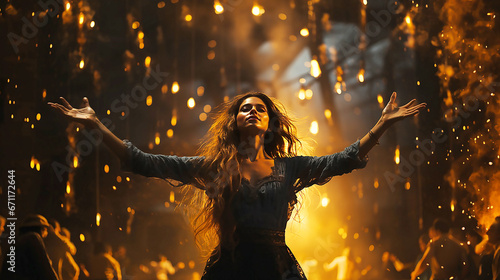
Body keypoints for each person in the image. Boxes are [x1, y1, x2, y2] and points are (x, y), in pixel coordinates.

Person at [49, 91, 426, 279]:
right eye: (245, 107)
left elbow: (342, 160)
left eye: (260, 108)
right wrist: (97, 127)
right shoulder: (214, 168)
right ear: (234, 121)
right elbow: (144, 161)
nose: (252, 111)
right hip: (230, 267)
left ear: (271, 123)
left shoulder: (289, 167)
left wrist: (381, 125)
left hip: (278, 267)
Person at [0, 214, 59, 280]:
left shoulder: (17, 242)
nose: (46, 234)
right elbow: (46, 270)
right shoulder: (33, 238)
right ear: (41, 229)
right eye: (45, 230)